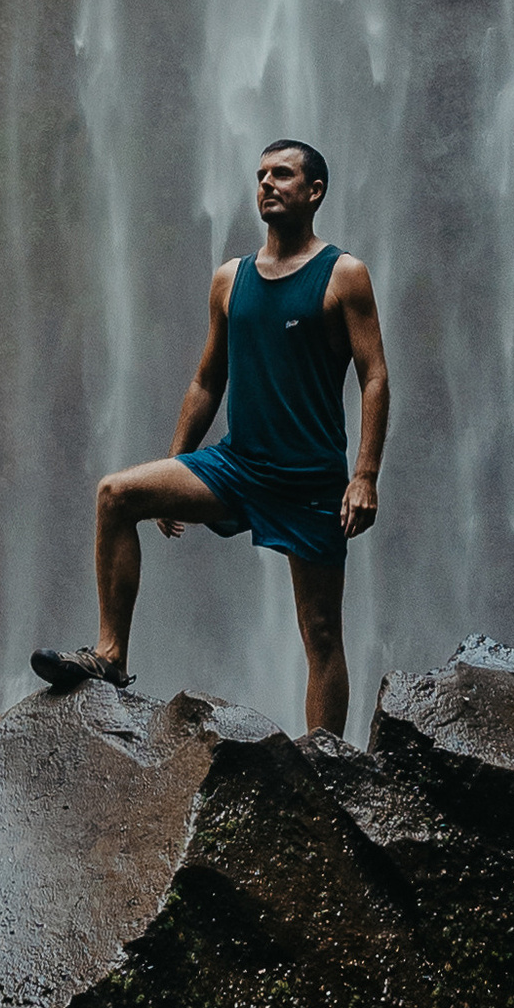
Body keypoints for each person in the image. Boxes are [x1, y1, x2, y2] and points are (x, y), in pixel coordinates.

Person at [30, 139, 389, 735]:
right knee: (117, 494)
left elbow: (374, 376)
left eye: (283, 174)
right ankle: (111, 655)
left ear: (314, 191)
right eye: (261, 175)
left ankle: (326, 766)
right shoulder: (230, 279)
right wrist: (178, 468)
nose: (267, 184)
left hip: (309, 481)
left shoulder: (344, 275)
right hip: (238, 465)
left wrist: (366, 475)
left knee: (322, 631)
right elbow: (206, 380)